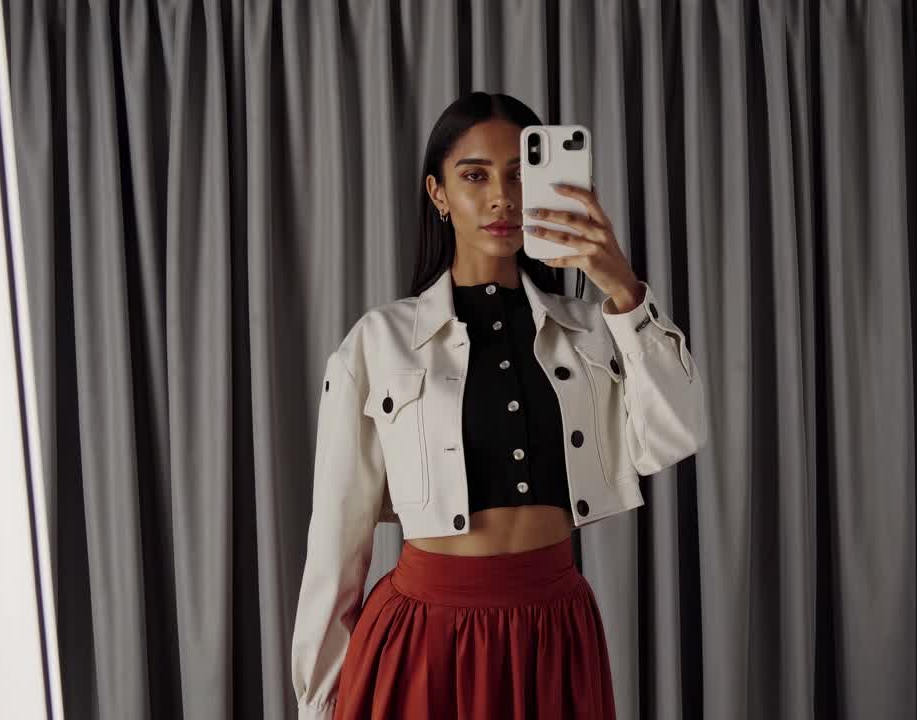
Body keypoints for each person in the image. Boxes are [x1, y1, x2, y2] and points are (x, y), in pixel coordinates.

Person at [289, 91, 709, 719]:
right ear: (438, 194)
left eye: (520, 173)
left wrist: (623, 287)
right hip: (421, 643)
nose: (502, 198)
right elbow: (335, 537)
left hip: (553, 636)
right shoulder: (378, 342)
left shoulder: (597, 328)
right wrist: (319, 702)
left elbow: (677, 433)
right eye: (476, 175)